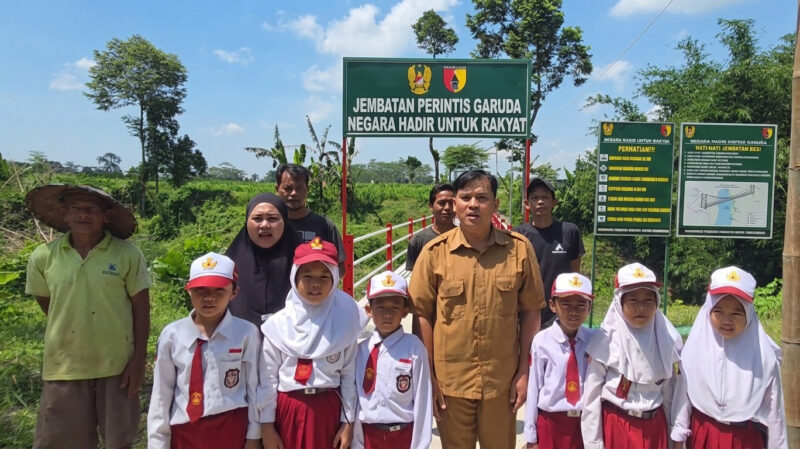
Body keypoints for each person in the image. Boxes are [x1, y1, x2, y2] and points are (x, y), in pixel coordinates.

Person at [409, 169, 545, 449]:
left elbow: (532, 311)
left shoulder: (518, 250)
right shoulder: (434, 253)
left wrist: (524, 371)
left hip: (501, 383)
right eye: (466, 197)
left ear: (495, 205)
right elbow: (422, 315)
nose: (473, 204)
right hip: (450, 385)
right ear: (455, 204)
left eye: (482, 197)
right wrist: (429, 377)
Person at [24, 184, 150, 449]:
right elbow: (48, 302)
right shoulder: (44, 256)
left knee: (119, 440)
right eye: (76, 208)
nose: (83, 215)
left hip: (117, 366)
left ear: (106, 216)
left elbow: (141, 308)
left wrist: (139, 359)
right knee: (61, 441)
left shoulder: (127, 254)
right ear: (65, 214)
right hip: (64, 366)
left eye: (91, 209)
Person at [259, 237, 366, 449]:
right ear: (294, 277)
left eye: (324, 277)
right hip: (289, 410)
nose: (315, 284)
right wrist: (267, 426)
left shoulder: (346, 321)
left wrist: (347, 423)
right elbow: (268, 379)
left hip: (329, 410)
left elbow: (348, 377)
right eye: (307, 276)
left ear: (335, 278)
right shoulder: (278, 326)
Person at [148, 252, 261, 449]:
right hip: (185, 431)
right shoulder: (172, 335)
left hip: (232, 427)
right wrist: (157, 442)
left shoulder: (246, 333)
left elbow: (253, 387)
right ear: (188, 291)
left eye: (219, 290)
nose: (209, 297)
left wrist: (254, 435)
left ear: (234, 292)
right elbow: (161, 394)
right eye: (200, 290)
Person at [673, 266, 788, 449]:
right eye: (719, 311)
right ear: (709, 309)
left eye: (736, 313)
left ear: (749, 314)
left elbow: (775, 412)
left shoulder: (763, 356)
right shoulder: (695, 349)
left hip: (745, 439)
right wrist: (678, 437)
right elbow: (683, 399)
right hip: (703, 435)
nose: (727, 320)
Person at [581, 263, 685, 449]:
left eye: (648, 300)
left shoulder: (666, 340)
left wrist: (671, 439)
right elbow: (591, 398)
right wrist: (594, 445)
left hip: (654, 428)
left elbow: (669, 394)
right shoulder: (605, 342)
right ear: (619, 303)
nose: (641, 308)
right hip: (617, 425)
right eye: (633, 301)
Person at [353, 271, 433, 449]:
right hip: (368, 436)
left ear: (405, 312)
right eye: (380, 307)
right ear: (368, 310)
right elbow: (355, 399)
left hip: (402, 436)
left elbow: (423, 400)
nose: (387, 314)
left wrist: (420, 445)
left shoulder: (414, 348)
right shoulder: (360, 350)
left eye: (395, 307)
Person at [525, 272, 597, 449]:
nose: (574, 311)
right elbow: (533, 388)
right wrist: (531, 436)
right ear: (552, 305)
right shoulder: (541, 341)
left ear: (590, 307)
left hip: (586, 423)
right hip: (551, 422)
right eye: (565, 304)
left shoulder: (596, 340)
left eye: (581, 304)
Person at [514, 178, 585, 328]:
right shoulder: (518, 235)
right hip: (527, 315)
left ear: (554, 202)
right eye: (534, 198)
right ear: (527, 204)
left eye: (545, 197)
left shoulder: (569, 231)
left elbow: (574, 272)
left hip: (561, 316)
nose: (540, 202)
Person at [226, 193, 300, 327]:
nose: (264, 225)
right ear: (247, 221)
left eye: (272, 219)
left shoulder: (303, 263)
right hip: (240, 342)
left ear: (285, 221)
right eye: (257, 218)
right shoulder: (228, 266)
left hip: (291, 342)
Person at [275, 163, 346, 273]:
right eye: (287, 188)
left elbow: (340, 269)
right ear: (277, 189)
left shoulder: (325, 225)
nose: (294, 193)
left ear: (307, 189)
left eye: (299, 188)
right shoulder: (270, 225)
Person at [405, 183, 455, 271]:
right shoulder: (418, 241)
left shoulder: (465, 237)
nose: (447, 207)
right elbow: (414, 276)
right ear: (431, 206)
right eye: (442, 203)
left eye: (452, 203)